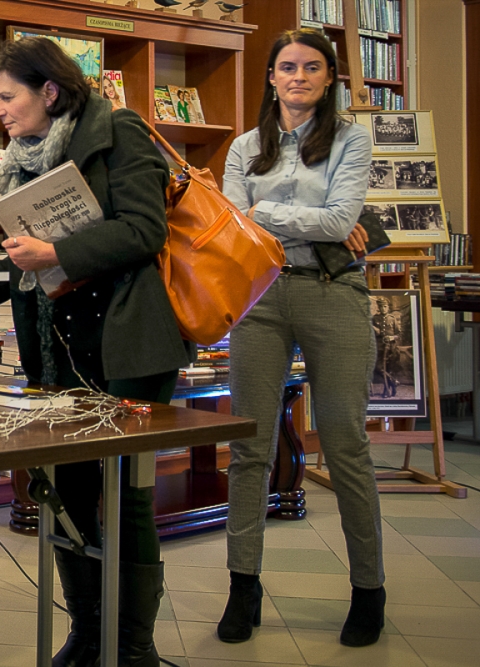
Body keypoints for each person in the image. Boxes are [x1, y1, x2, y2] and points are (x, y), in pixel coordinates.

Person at [0, 37, 190, 667]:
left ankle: (133, 648)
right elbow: (38, 244)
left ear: (50, 91)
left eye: (7, 97)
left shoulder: (119, 132)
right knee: (65, 490)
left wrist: (55, 253)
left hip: (125, 343)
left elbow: (144, 230)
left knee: (127, 493)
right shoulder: (16, 159)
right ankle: (88, 634)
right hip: (56, 344)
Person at [220, 28, 385, 648]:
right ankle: (243, 587)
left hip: (331, 291)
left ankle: (368, 589)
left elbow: (340, 220)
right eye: (287, 67)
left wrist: (262, 213)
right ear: (271, 77)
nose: (299, 77)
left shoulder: (351, 139)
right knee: (249, 447)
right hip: (259, 298)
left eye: (312, 67)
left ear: (329, 78)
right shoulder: (244, 147)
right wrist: (308, 223)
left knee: (344, 443)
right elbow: (230, 226)